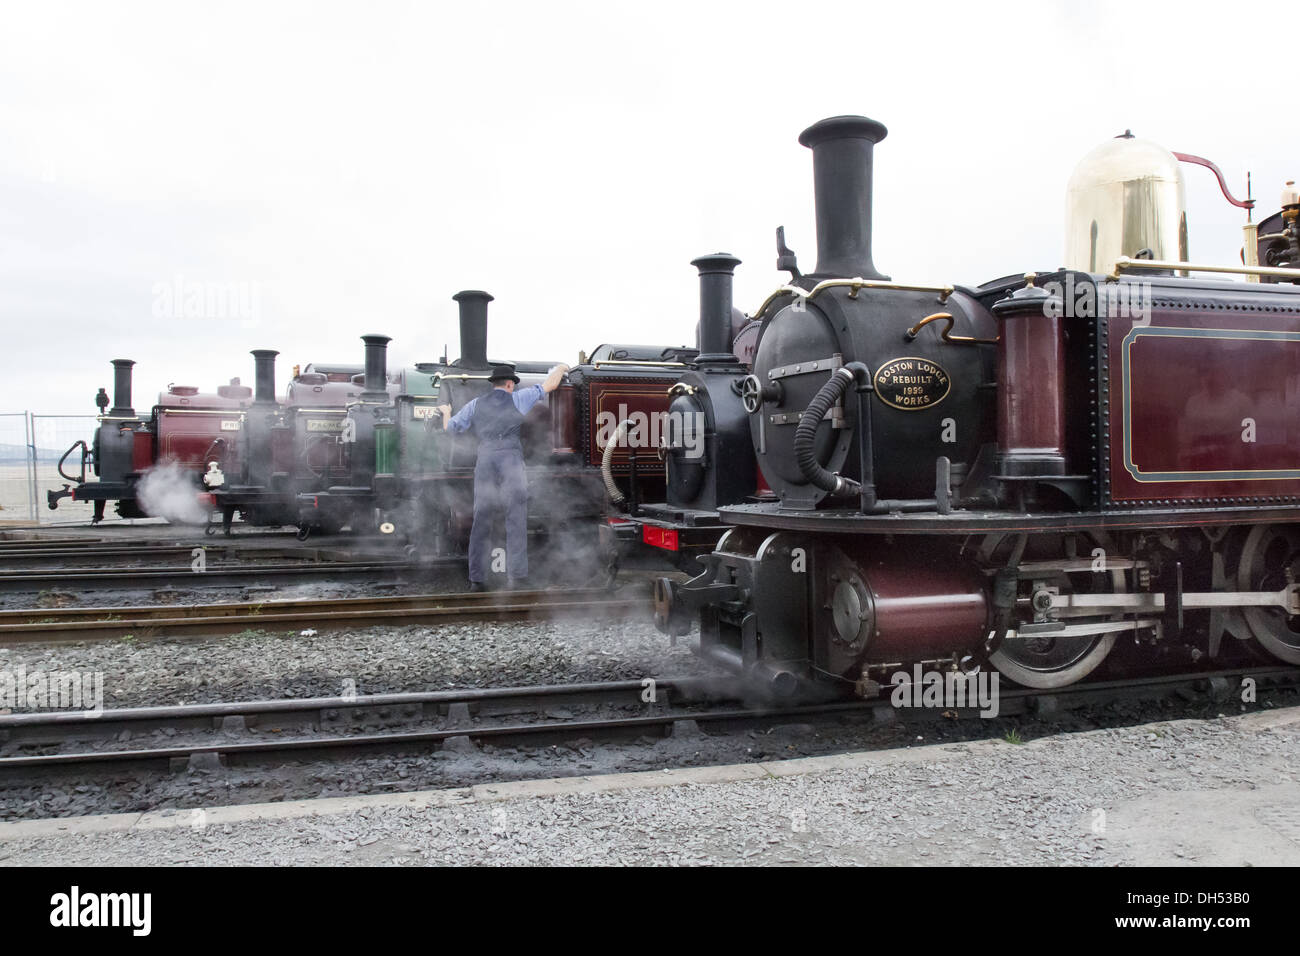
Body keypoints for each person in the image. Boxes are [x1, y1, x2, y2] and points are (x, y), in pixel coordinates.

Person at [439, 362, 569, 591]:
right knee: (516, 516)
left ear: (494, 384)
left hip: (486, 459)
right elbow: (551, 384)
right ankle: (517, 577)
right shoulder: (519, 398)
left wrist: (446, 412)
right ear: (510, 384)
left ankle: (477, 580)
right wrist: (561, 367)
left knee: (481, 517)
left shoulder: (475, 404)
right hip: (510, 459)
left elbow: (450, 429)